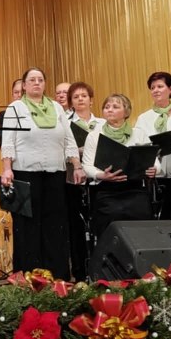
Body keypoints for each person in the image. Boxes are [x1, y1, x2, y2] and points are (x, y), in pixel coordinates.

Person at [0, 67, 82, 279]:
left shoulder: (56, 107)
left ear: (45, 84)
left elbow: (69, 140)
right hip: (25, 173)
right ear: (24, 85)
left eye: (40, 80)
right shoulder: (15, 107)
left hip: (55, 174)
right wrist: (7, 169)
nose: (37, 83)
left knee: (55, 225)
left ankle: (57, 276)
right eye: (32, 80)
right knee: (28, 227)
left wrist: (77, 166)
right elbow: (7, 142)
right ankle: (28, 277)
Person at [81, 93, 157, 241]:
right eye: (107, 107)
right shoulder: (94, 135)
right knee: (112, 214)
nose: (109, 110)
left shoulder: (138, 133)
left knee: (141, 212)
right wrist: (101, 175)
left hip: (134, 189)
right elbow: (87, 165)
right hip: (107, 190)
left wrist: (155, 169)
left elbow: (153, 160)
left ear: (126, 112)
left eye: (115, 107)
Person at [134, 71, 171, 221]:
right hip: (156, 177)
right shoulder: (144, 118)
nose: (155, 90)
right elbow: (140, 144)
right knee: (161, 219)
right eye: (152, 87)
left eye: (160, 86)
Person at [65, 82, 104, 280]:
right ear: (71, 102)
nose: (80, 99)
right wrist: (76, 152)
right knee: (76, 227)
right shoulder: (65, 123)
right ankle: (79, 271)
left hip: (98, 179)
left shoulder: (102, 123)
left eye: (84, 96)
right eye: (76, 97)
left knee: (98, 224)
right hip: (73, 179)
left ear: (91, 100)